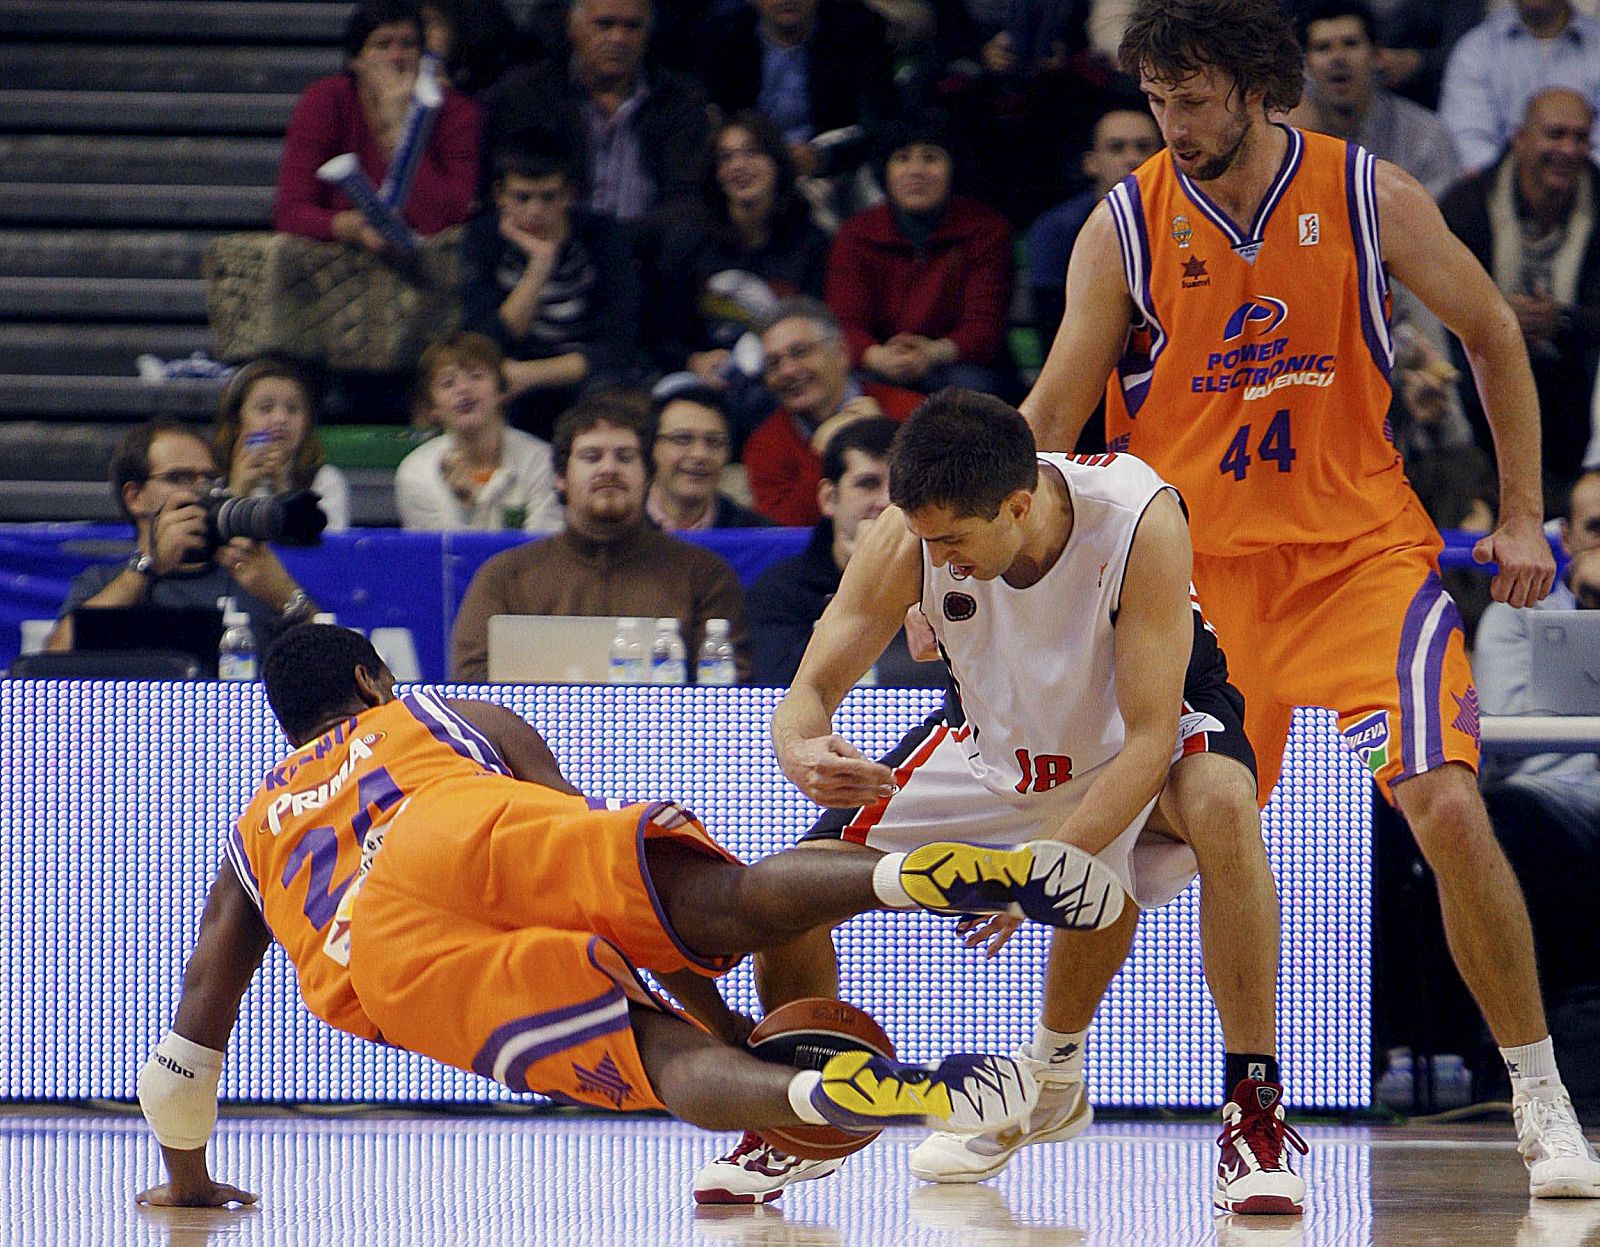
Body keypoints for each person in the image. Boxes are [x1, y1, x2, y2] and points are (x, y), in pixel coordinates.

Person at [1021, 0, 1600, 1199]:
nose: (1168, 125)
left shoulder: (1368, 194)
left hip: (1359, 558)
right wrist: (956, 564)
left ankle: (1540, 1096)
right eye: (1154, 100)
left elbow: (1494, 333)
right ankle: (1051, 1070)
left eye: (1190, 99)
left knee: (1444, 803)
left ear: (1254, 87)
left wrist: (1519, 510)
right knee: (1146, 839)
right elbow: (1048, 418)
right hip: (1194, 581)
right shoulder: (1121, 228)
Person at [134, 622, 1119, 1207]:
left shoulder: (253, 830)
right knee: (729, 902)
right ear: (368, 682)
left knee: (659, 1060)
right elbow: (616, 903)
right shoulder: (434, 716)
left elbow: (190, 1039)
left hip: (389, 962)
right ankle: (905, 874)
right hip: (453, 816)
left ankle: (852, 1097)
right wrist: (709, 990)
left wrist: (187, 1181)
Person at [698, 392, 1301, 1213]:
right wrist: (801, 748)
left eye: (952, 540)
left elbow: (1149, 738)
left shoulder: (1139, 516)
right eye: (923, 538)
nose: (935, 558)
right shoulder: (910, 533)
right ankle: (801, 1120)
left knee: (1226, 804)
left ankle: (1252, 1112)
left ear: (1019, 505)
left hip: (1139, 733)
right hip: (996, 734)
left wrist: (1036, 868)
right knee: (785, 894)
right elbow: (810, 690)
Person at [450, 394, 750, 681]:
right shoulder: (506, 576)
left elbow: (729, 688)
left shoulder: (704, 576)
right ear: (560, 477)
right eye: (591, 457)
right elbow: (471, 682)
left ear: (647, 476)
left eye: (625, 457)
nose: (609, 469)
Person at [1440, 89, 1600, 511]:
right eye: (1555, 135)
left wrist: (1563, 320)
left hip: (1577, 397)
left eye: (1581, 138)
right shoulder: (1466, 206)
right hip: (1481, 393)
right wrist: (1497, 320)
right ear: (1520, 138)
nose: (1569, 150)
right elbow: (1438, 303)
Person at [1477, 470, 1600, 1009]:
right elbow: (1503, 737)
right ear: (1568, 538)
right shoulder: (1516, 613)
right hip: (1544, 803)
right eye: (1597, 529)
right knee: (1501, 815)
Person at [44, 422, 319, 654]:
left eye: (209, 479)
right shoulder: (103, 582)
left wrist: (286, 595)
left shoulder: (254, 576)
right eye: (180, 478)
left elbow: (339, 673)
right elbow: (54, 660)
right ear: (135, 497)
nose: (201, 491)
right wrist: (146, 567)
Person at [653, 111, 831, 428]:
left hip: (783, 379)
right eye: (726, 158)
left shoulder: (812, 244)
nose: (739, 166)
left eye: (752, 152)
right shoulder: (689, 241)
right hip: (706, 379)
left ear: (776, 163)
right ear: (716, 173)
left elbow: (820, 329)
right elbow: (661, 331)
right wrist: (693, 360)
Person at [460, 133, 643, 439]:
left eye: (548, 197)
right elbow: (486, 340)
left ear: (568, 195)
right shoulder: (483, 238)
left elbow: (618, 343)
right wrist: (540, 264)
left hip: (584, 373)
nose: (535, 210)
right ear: (499, 195)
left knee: (610, 400)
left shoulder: (603, 237)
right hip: (510, 370)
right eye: (522, 197)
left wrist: (530, 375)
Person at [825, 111, 1015, 397]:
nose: (916, 170)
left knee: (970, 389)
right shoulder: (855, 235)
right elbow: (844, 324)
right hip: (880, 364)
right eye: (902, 158)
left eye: (930, 158)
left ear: (952, 168)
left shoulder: (986, 230)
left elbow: (983, 329)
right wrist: (880, 357)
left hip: (958, 364)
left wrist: (932, 352)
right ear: (885, 171)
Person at [479, 0, 709, 234]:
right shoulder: (527, 94)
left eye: (632, 26)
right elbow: (505, 191)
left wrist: (616, 248)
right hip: (551, 248)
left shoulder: (681, 100)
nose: (618, 38)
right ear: (573, 26)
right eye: (604, 24)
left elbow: (684, 202)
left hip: (651, 255)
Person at [746, 416, 942, 687]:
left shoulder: (950, 577)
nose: (886, 501)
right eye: (868, 484)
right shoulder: (779, 590)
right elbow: (786, 687)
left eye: (900, 487)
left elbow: (949, 681)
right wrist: (864, 580)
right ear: (829, 498)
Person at [273, 0, 480, 249]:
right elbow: (290, 212)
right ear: (355, 60)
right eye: (382, 45)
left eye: (409, 45)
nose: (397, 57)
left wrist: (398, 132)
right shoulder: (326, 101)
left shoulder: (456, 113)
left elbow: (447, 222)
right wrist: (350, 226)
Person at [743, 298, 923, 526]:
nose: (787, 370)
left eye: (799, 352)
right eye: (773, 363)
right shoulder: (765, 445)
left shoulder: (910, 411)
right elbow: (780, 536)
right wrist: (820, 456)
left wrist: (888, 439)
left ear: (841, 352)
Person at [696, 0, 900, 194]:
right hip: (750, 158)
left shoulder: (858, 29)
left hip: (834, 163)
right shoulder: (724, 39)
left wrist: (821, 157)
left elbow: (882, 121)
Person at [1027, 104, 1163, 364]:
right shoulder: (1055, 230)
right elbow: (1054, 331)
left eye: (1144, 147)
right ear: (1090, 163)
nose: (1132, 158)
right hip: (1084, 368)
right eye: (1116, 148)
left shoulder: (1190, 221)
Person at [1288, 1, 1461, 201]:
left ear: (1377, 56)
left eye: (1350, 43)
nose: (1337, 58)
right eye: (1323, 47)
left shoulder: (1424, 137)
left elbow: (1443, 221)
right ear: (1306, 64)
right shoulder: (1290, 139)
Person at [394, 332, 562, 532]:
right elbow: (438, 558)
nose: (463, 389)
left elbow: (543, 552)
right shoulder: (416, 473)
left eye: (476, 376)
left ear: (501, 391)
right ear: (433, 408)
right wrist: (466, 509)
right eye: (448, 383)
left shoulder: (541, 463)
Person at [1438, 0, 1600, 175]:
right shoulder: (1475, 50)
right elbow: (1467, 143)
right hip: (1495, 193)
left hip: (1589, 193)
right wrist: (1518, 187)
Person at [211, 359, 351, 533]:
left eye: (293, 409)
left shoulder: (325, 480)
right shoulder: (212, 478)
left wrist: (285, 492)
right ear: (237, 422)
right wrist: (236, 492)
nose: (280, 419)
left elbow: (326, 552)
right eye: (265, 408)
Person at [645, 376, 772, 532]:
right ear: (651, 447)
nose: (700, 455)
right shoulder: (619, 527)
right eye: (683, 439)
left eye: (713, 442)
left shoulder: (755, 534)